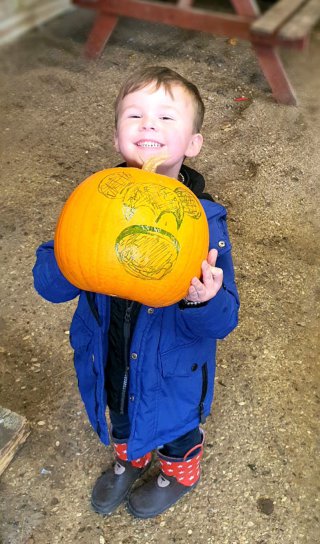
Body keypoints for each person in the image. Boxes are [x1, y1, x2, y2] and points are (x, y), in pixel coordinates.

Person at [33, 66, 239, 519]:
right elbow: (48, 286)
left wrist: (203, 298)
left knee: (177, 431)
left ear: (193, 144)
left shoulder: (205, 224)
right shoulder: (91, 203)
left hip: (173, 374)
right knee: (121, 416)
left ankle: (177, 474)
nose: (149, 125)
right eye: (135, 116)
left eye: (167, 118)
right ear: (116, 136)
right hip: (108, 357)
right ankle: (130, 460)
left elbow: (224, 320)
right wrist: (73, 253)